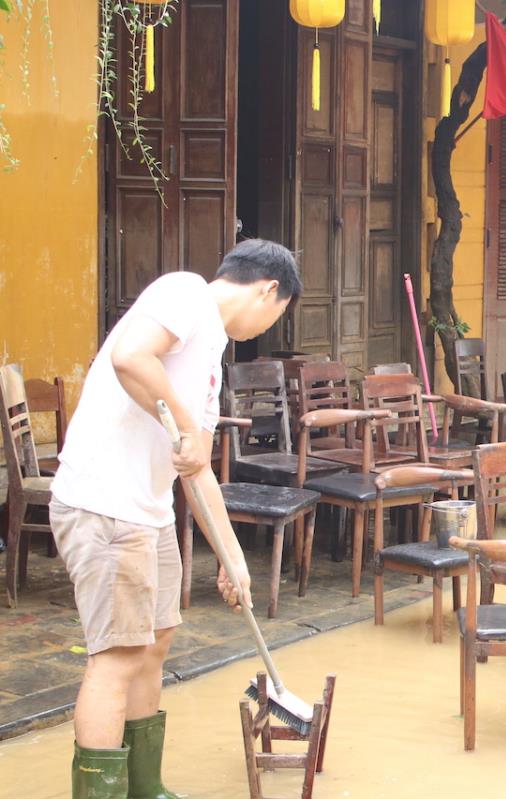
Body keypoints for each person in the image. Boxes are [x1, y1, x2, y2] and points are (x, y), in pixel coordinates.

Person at [50, 239, 301, 798]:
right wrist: (186, 425)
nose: (268, 327)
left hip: (149, 513)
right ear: (268, 291)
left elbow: (198, 467)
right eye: (278, 313)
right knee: (117, 657)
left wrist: (232, 559)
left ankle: (146, 787)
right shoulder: (185, 292)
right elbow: (130, 356)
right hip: (105, 506)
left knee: (155, 643)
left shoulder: (211, 356)